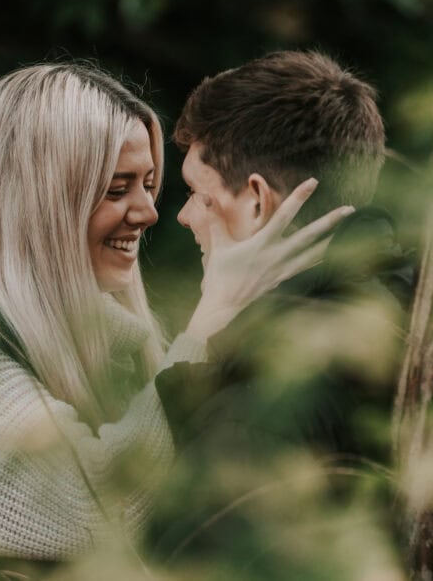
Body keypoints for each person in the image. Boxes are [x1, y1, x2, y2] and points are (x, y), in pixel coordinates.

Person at [0, 62, 349, 580]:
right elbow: (85, 510)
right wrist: (212, 320)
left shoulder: (121, 337)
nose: (149, 211)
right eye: (116, 189)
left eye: (148, 184)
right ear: (39, 200)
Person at [147, 51, 414, 562]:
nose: (183, 217)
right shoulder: (408, 296)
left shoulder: (268, 391)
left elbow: (180, 553)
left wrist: (207, 325)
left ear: (255, 200)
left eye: (198, 195)